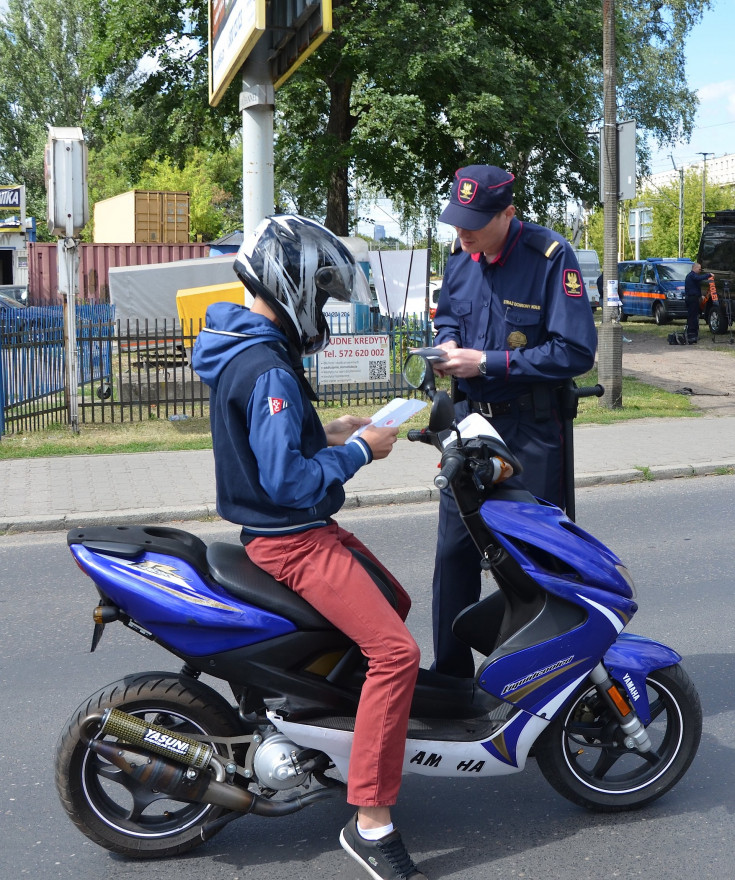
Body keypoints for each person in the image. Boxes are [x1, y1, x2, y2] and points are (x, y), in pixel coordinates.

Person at [192, 215, 425, 880]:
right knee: (396, 652)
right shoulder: (265, 363)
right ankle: (371, 821)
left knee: (394, 600)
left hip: (289, 530)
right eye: (318, 294)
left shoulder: (242, 345)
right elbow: (286, 481)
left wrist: (327, 430)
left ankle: (340, 733)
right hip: (290, 539)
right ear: (289, 284)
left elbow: (271, 441)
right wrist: (358, 450)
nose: (320, 307)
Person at [430, 165, 598, 678]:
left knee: (536, 557)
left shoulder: (550, 258)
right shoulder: (461, 255)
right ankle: (452, 676)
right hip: (469, 427)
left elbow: (575, 351)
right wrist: (449, 341)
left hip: (529, 433)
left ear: (508, 213)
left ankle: (551, 675)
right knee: (455, 552)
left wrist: (487, 362)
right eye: (458, 221)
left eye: (475, 222)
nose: (464, 232)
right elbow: (449, 314)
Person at [684, 261, 712, 344]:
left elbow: (695, 287)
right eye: (699, 269)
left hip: (695, 298)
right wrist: (709, 275)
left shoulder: (693, 276)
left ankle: (694, 334)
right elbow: (698, 278)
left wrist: (701, 295)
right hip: (692, 299)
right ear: (695, 268)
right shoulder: (692, 275)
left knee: (695, 316)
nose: (700, 271)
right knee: (692, 316)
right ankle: (691, 335)